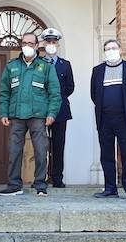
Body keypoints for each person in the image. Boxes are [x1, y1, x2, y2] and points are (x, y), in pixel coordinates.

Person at [0, 32, 61, 196]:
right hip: (17, 115)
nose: (27, 46)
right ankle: (14, 185)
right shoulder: (12, 67)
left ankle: (40, 185)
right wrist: (3, 112)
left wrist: (52, 113)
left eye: (31, 43)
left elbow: (55, 93)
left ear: (36, 45)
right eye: (24, 43)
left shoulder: (46, 67)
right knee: (14, 150)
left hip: (38, 115)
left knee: (41, 150)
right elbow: (4, 92)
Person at [90, 39, 126, 200]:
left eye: (114, 48)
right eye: (108, 49)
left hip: (124, 119)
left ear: (120, 50)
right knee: (106, 155)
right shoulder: (98, 70)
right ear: (104, 52)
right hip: (105, 119)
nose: (111, 51)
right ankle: (110, 188)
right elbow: (94, 94)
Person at [40, 28, 75, 188]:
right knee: (40, 144)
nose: (51, 45)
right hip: (40, 109)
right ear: (44, 44)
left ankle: (57, 177)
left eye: (54, 42)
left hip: (60, 110)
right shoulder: (38, 63)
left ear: (58, 45)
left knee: (58, 144)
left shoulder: (65, 65)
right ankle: (41, 177)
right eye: (48, 42)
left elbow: (70, 87)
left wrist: (57, 100)